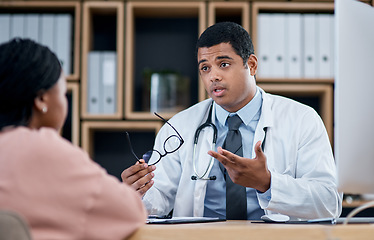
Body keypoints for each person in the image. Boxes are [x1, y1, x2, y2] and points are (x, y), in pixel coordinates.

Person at [121, 22, 342, 220]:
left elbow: (330, 202)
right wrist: (139, 191)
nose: (213, 76)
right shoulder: (179, 126)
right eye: (205, 68)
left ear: (252, 65)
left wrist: (267, 183)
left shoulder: (302, 119)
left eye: (223, 64)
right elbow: (159, 201)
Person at [0, 39, 146, 240]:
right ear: (41, 100)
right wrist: (124, 194)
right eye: (63, 92)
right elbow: (129, 213)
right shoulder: (42, 147)